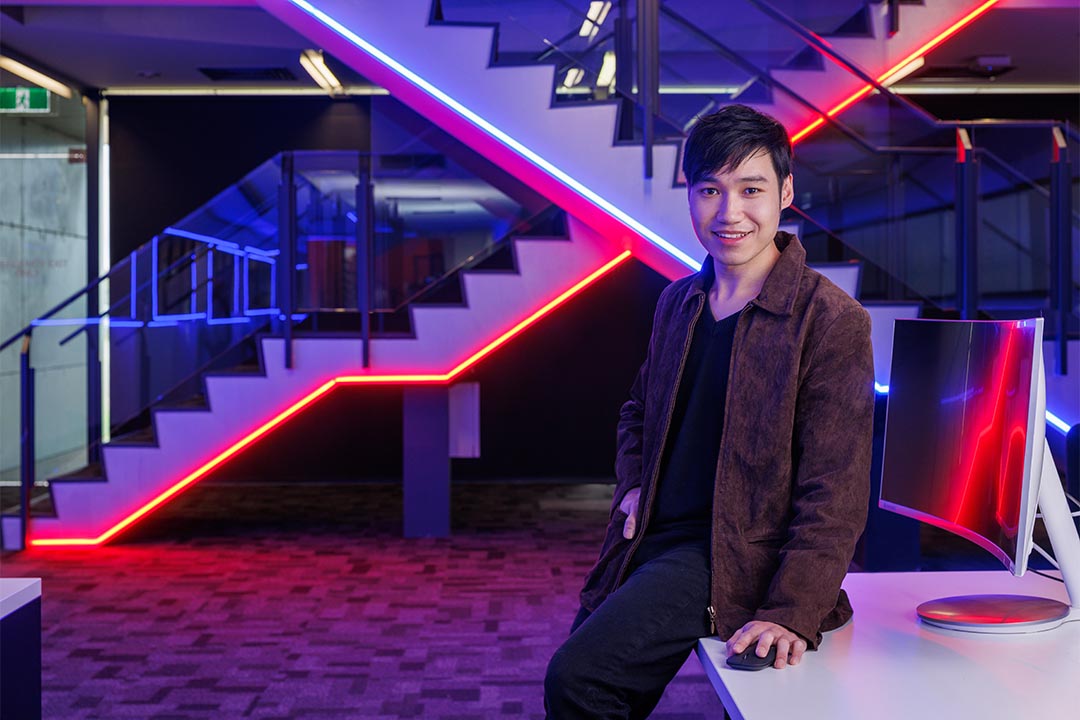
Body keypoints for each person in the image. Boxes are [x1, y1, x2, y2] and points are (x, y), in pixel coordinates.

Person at [543, 104, 875, 718]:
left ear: (786, 193)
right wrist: (636, 486)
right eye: (709, 191)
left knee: (579, 680)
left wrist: (791, 613)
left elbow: (837, 489)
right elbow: (637, 413)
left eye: (751, 190)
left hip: (733, 551)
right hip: (650, 538)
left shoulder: (829, 320)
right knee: (587, 678)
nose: (730, 213)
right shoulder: (680, 300)